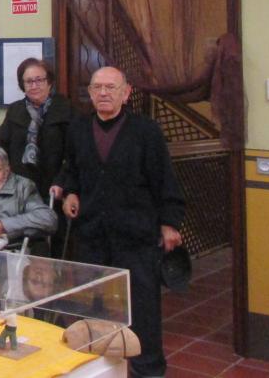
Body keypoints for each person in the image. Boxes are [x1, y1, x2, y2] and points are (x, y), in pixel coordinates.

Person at [57, 66, 185, 378]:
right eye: (97, 87)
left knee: (142, 307)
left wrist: (169, 223)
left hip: (135, 235)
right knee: (91, 303)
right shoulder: (78, 128)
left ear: (126, 93)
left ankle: (148, 369)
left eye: (111, 87)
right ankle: (95, 367)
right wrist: (70, 193)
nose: (103, 93)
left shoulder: (146, 131)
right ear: (90, 93)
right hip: (92, 233)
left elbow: (164, 180)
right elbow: (71, 169)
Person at [0, 57, 72, 199]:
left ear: (49, 82)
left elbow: (73, 155)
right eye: (29, 81)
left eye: (39, 80)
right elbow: (1, 146)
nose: (34, 86)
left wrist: (61, 182)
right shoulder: (15, 110)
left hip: (54, 189)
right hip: (18, 188)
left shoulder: (66, 110)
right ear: (22, 85)